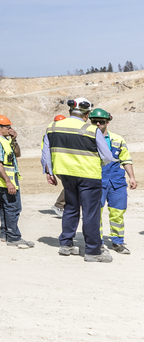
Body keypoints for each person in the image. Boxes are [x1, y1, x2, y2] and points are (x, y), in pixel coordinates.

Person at [42, 98, 116, 262]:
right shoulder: (91, 130)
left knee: (70, 208)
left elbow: (46, 153)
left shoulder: (52, 127)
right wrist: (100, 163)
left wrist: (49, 172)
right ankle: (93, 252)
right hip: (89, 176)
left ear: (70, 112)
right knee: (91, 213)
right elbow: (107, 156)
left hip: (66, 175)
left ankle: (66, 245)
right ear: (87, 114)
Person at [88, 108, 137, 254]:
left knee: (118, 212)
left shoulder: (118, 139)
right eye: (94, 121)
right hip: (96, 180)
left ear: (107, 122)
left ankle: (118, 242)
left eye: (101, 121)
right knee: (96, 213)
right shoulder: (87, 139)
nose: (98, 124)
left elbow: (126, 159)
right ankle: (98, 242)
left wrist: (132, 177)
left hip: (117, 181)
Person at [0, 115, 34, 248]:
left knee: (5, 207)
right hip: (5, 181)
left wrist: (14, 139)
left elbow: (17, 154)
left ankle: (5, 234)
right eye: (8, 127)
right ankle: (14, 238)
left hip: (5, 180)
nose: (10, 129)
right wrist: (8, 182)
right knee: (13, 208)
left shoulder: (5, 140)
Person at [50, 114, 68, 215]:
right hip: (60, 165)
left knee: (71, 185)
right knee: (70, 185)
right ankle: (59, 205)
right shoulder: (52, 136)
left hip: (62, 164)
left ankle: (64, 206)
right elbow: (46, 154)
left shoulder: (60, 135)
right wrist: (48, 170)